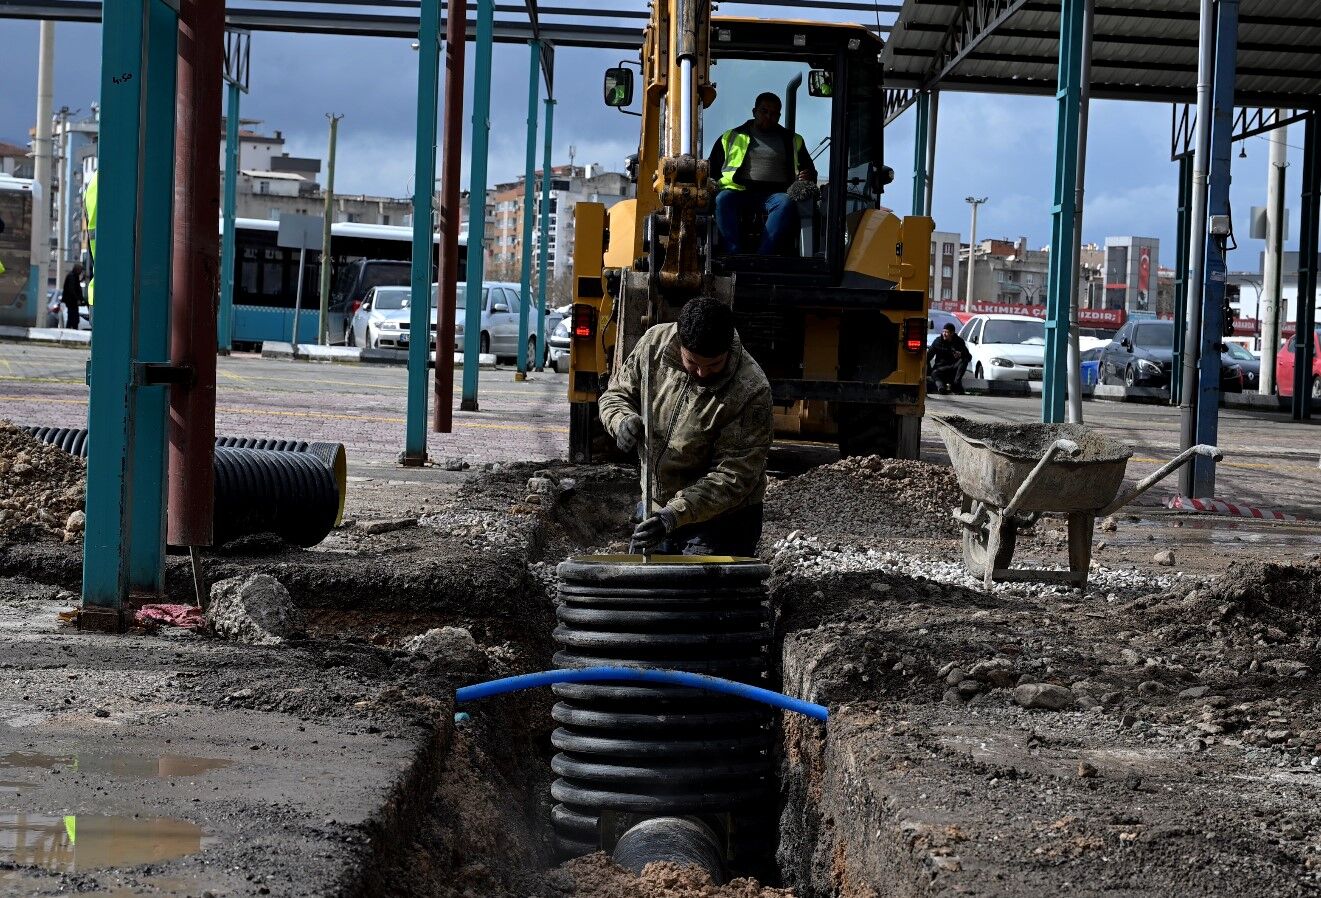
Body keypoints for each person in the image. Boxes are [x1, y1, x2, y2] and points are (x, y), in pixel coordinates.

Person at [598, 297, 773, 557]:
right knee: (643, 591)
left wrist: (673, 515)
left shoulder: (751, 390)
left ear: (728, 349)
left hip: (722, 518)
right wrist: (621, 420)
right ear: (680, 342)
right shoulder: (654, 345)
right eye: (693, 363)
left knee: (698, 594)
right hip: (656, 508)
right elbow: (617, 395)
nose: (702, 373)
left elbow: (734, 475)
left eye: (713, 365)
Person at [707, 92, 817, 255]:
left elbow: (810, 172)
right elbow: (711, 170)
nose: (768, 116)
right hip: (738, 191)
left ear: (779, 116)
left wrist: (808, 176)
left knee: (786, 202)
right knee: (722, 199)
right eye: (764, 111)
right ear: (754, 112)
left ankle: (763, 255)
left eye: (773, 114)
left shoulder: (793, 140)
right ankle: (733, 254)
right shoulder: (730, 137)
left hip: (776, 194)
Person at [927, 322, 969, 394]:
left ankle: (957, 383)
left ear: (952, 333)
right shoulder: (937, 341)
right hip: (940, 368)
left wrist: (961, 354)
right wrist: (929, 371)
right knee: (934, 373)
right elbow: (928, 357)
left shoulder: (959, 341)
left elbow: (969, 357)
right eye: (943, 331)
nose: (944, 334)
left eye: (946, 332)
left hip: (953, 368)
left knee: (964, 359)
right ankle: (941, 388)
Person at [60, 263, 84, 330]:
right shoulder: (72, 277)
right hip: (72, 301)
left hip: (72, 301)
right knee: (73, 317)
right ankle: (71, 330)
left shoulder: (73, 276)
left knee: (73, 318)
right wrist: (77, 299)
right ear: (77, 270)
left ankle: (71, 329)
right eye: (80, 270)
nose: (80, 272)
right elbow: (72, 290)